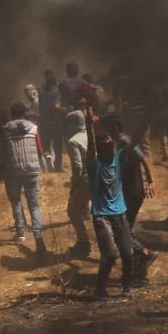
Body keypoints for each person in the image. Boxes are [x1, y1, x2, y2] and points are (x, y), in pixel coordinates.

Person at [84, 104, 135, 298]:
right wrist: (89, 123)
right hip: (101, 215)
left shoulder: (118, 159)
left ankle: (127, 285)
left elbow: (135, 142)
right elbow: (90, 143)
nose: (111, 145)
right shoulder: (94, 164)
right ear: (100, 147)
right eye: (106, 143)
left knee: (128, 254)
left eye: (111, 142)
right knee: (111, 254)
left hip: (120, 213)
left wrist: (148, 118)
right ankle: (100, 287)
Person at [108, 117, 159, 284]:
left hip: (131, 193)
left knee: (122, 232)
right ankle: (139, 272)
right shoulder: (119, 142)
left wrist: (151, 180)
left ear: (115, 127)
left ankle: (145, 254)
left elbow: (144, 159)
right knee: (126, 230)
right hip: (128, 192)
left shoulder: (124, 141)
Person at [0, 103, 46, 254]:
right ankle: (38, 235)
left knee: (16, 202)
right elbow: (40, 151)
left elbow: (1, 155)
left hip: (12, 172)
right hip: (31, 171)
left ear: (11, 113)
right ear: (24, 113)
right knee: (34, 205)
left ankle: (20, 232)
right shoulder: (34, 128)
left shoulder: (4, 130)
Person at [64, 108, 92, 257]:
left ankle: (84, 243)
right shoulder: (92, 135)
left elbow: (78, 166)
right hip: (102, 178)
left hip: (86, 181)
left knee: (73, 212)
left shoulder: (73, 141)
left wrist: (74, 185)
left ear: (74, 124)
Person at [39, 70, 64, 171]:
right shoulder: (56, 94)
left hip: (44, 123)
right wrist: (64, 108)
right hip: (55, 123)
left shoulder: (41, 95)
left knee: (45, 144)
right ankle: (58, 167)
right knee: (58, 146)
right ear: (54, 85)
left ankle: (48, 156)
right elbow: (56, 106)